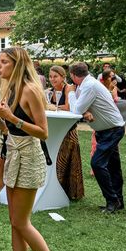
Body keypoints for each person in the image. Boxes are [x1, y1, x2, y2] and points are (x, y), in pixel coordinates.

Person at [0, 47, 66, 251]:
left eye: (4, 62)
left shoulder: (30, 90)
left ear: (17, 64)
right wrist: (1, 120)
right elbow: (10, 130)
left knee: (21, 222)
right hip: (13, 152)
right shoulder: (8, 89)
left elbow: (43, 131)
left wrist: (11, 117)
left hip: (29, 157)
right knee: (15, 221)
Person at [67, 62, 125, 213]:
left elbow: (76, 110)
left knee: (97, 163)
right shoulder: (87, 84)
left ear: (73, 75)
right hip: (106, 130)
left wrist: (71, 93)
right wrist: (84, 111)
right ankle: (117, 201)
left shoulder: (89, 86)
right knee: (113, 167)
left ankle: (112, 200)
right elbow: (83, 109)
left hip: (112, 130)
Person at [48, 66, 84, 200]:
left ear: (63, 77)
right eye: (50, 77)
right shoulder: (50, 91)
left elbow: (69, 107)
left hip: (68, 130)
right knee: (56, 158)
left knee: (67, 159)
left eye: (55, 76)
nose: (52, 79)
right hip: (55, 130)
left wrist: (53, 106)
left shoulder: (69, 89)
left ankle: (70, 192)